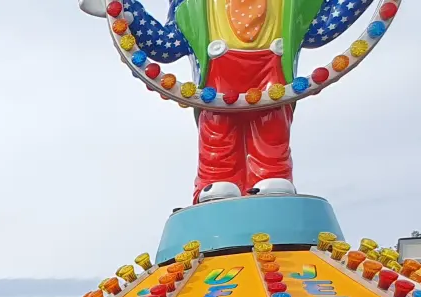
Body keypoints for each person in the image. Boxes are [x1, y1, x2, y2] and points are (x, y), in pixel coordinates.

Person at [82, 0, 375, 202]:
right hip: (217, 79)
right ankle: (217, 176)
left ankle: (273, 173)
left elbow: (323, 27)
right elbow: (166, 44)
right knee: (218, 129)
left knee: (271, 128)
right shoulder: (193, 7)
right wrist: (124, 10)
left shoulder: (292, 6)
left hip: (271, 72)